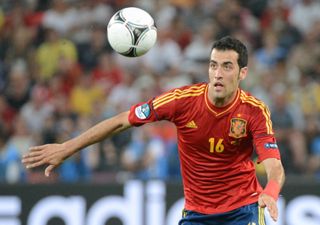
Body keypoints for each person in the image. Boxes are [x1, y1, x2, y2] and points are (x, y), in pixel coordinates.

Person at [22, 36, 285, 225]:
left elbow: (274, 167)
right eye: (213, 65)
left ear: (242, 73)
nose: (217, 73)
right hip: (197, 214)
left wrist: (270, 193)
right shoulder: (182, 101)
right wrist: (66, 148)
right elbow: (122, 121)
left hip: (243, 210)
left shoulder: (254, 111)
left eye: (227, 66)